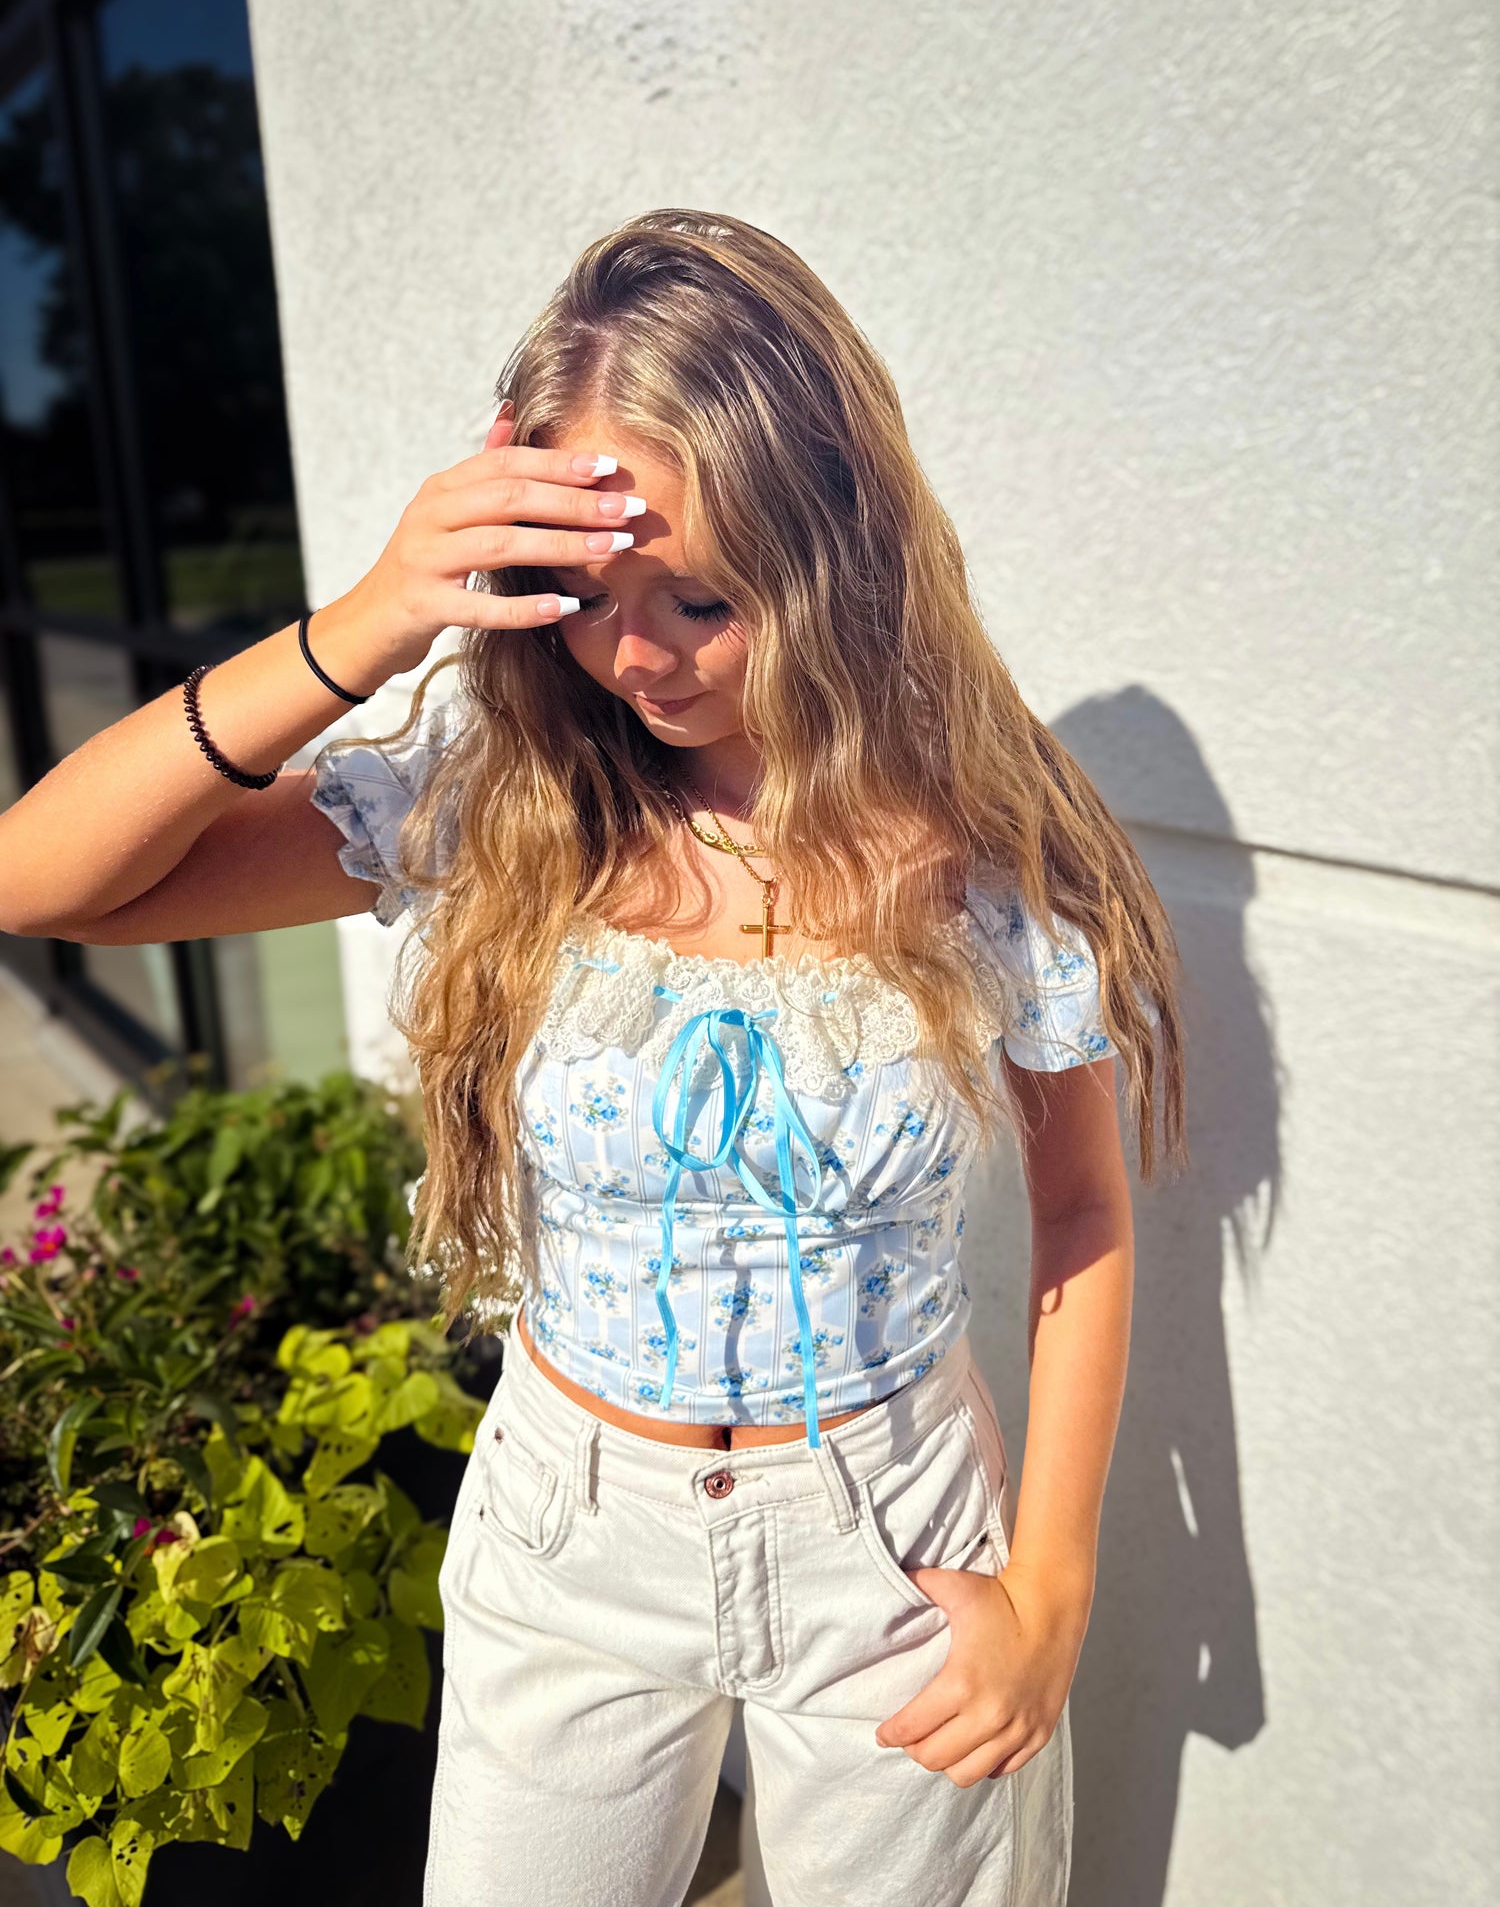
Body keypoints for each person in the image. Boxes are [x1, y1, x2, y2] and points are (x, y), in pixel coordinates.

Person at [0, 208, 1186, 1907]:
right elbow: (45, 880)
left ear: (833, 547)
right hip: (569, 1526)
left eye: (705, 597)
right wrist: (368, 624)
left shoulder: (986, 850)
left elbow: (1082, 1213)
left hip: (894, 1534)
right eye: (583, 596)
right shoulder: (506, 810)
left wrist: (1055, 1590)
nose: (637, 659)